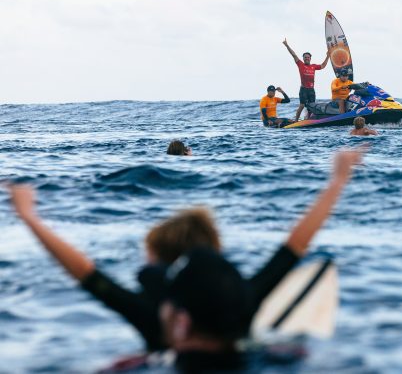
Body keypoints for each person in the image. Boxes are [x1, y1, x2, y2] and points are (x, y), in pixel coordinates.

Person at [8, 148, 364, 371]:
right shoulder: (239, 303)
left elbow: (86, 274)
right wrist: (338, 181)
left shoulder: (155, 317)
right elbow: (294, 248)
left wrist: (28, 216)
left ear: (180, 321)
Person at [282, 38, 330, 121]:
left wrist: (328, 56)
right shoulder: (300, 64)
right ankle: (296, 120)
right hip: (303, 89)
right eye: (305, 57)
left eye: (308, 57)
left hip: (311, 90)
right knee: (302, 105)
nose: (307, 58)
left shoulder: (313, 66)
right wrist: (287, 45)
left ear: (310, 58)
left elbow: (323, 66)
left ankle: (308, 119)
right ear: (303, 58)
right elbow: (293, 55)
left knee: (312, 106)